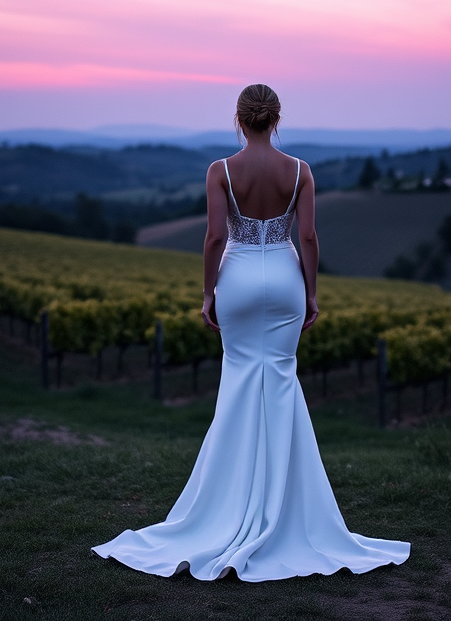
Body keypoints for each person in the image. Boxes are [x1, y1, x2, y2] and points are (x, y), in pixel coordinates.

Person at [92, 84, 410, 581]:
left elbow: (216, 236)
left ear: (239, 119)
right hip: (284, 278)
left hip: (237, 279)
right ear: (276, 119)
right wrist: (311, 293)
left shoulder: (220, 171)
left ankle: (228, 505)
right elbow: (306, 235)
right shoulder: (301, 171)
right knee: (281, 381)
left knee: (239, 383)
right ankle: (289, 512)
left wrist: (207, 294)